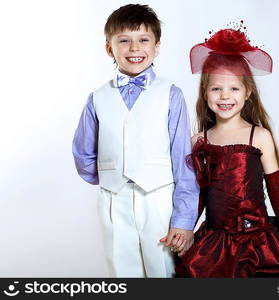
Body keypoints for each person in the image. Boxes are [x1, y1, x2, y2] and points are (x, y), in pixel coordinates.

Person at [72, 4, 198, 277]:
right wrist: (111, 173)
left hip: (159, 198)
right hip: (113, 199)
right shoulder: (97, 98)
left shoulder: (171, 95)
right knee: (121, 271)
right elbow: (83, 155)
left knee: (163, 270)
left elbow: (183, 161)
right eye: (124, 41)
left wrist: (184, 219)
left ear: (157, 46)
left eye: (143, 40)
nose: (134, 49)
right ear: (109, 48)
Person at [175, 28, 279, 277]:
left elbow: (275, 188)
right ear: (205, 93)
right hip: (216, 242)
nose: (225, 96)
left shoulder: (259, 136)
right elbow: (200, 193)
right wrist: (186, 229)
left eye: (234, 89)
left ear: (248, 93)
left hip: (256, 242)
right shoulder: (199, 140)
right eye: (216, 89)